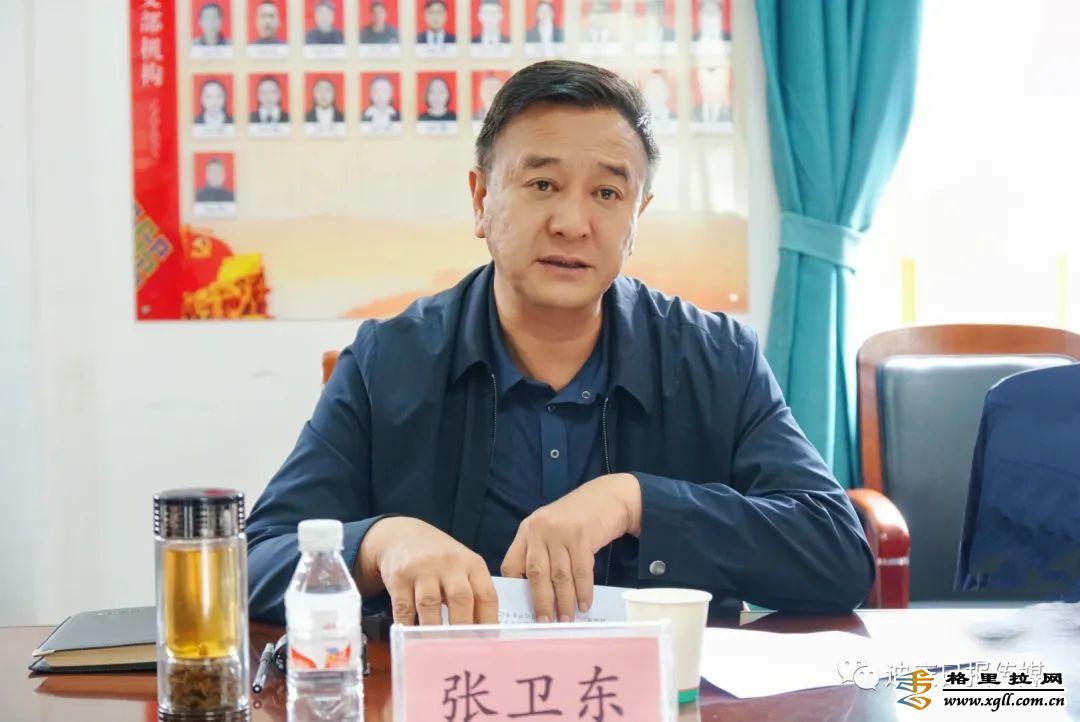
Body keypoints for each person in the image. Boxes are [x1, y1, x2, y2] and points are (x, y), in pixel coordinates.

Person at [246, 59, 874, 627]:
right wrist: (381, 543)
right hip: (454, 694)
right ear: (481, 200)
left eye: (607, 193)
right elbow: (256, 559)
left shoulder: (716, 358)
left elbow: (838, 554)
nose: (572, 224)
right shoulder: (389, 361)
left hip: (664, 695)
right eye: (542, 185)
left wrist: (637, 502)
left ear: (636, 217)